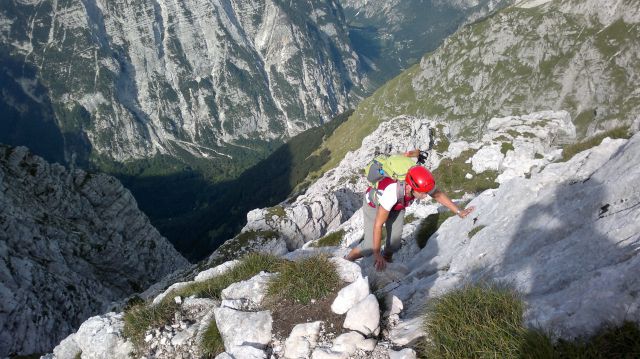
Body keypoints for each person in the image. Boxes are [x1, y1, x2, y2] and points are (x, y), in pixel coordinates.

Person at [345, 150, 475, 271]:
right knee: (369, 246)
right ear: (410, 187)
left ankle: (386, 264)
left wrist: (459, 212)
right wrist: (377, 253)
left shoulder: (420, 181)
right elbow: (379, 225)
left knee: (394, 243)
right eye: (422, 193)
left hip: (397, 206)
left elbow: (437, 194)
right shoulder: (392, 192)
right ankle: (346, 261)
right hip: (374, 204)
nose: (425, 196)